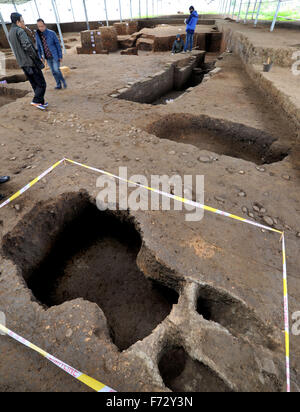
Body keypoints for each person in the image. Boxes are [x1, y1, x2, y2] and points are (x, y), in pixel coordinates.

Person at [8, 13, 47, 110]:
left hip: (22, 63)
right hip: (30, 62)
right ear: (17, 22)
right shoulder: (20, 31)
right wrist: (36, 58)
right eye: (22, 21)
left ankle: (40, 102)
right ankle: (36, 101)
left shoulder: (10, 33)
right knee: (42, 83)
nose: (24, 23)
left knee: (34, 83)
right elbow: (27, 46)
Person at [36, 19, 67, 90]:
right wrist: (40, 55)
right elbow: (38, 46)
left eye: (42, 26)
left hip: (54, 56)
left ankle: (63, 81)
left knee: (56, 70)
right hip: (47, 57)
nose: (41, 28)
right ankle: (58, 85)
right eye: (39, 26)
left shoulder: (52, 33)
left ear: (45, 25)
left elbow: (58, 45)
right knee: (53, 71)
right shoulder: (38, 35)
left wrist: (60, 56)